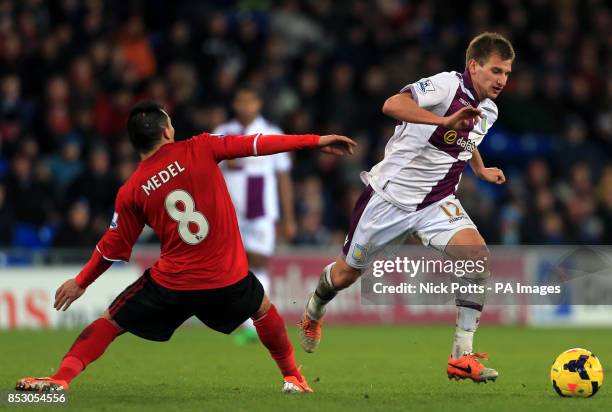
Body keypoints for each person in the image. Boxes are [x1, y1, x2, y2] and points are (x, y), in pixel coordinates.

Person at [15, 100, 356, 394]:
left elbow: (111, 248)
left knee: (112, 320)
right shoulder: (201, 147)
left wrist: (81, 281)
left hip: (172, 284)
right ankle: (293, 377)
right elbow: (257, 144)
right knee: (264, 310)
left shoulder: (132, 189)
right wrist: (314, 141)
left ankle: (61, 379)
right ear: (166, 131)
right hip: (226, 279)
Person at [298, 32, 514, 383]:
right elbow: (392, 104)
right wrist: (443, 121)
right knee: (346, 274)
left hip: (437, 202)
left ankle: (462, 355)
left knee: (476, 256)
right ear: (473, 66)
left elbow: (467, 136)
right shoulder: (445, 86)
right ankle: (315, 307)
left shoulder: (489, 109)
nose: (502, 80)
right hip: (389, 199)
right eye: (496, 71)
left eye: (506, 73)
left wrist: (479, 168)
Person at [215, 86, 296, 344]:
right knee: (235, 265)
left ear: (258, 103)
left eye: (250, 101)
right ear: (235, 103)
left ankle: (257, 324)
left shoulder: (272, 134)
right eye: (240, 100)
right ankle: (243, 320)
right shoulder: (221, 134)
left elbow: (283, 177)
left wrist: (289, 217)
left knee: (259, 261)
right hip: (229, 212)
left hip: (261, 211)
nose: (245, 106)